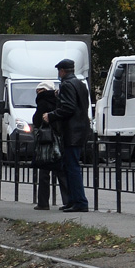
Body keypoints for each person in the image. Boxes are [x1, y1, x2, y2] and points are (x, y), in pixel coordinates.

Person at [43, 58, 90, 212]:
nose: (59, 74)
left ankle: (79, 202)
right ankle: (73, 201)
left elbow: (69, 108)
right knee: (70, 167)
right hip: (80, 129)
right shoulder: (80, 84)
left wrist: (51, 115)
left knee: (72, 168)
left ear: (62, 71)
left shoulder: (67, 84)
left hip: (72, 131)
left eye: (59, 71)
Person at [31, 81, 69, 210]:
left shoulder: (42, 101)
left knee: (44, 170)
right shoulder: (58, 99)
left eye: (38, 90)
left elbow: (37, 119)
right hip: (58, 137)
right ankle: (67, 201)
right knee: (61, 170)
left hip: (46, 139)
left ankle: (43, 202)